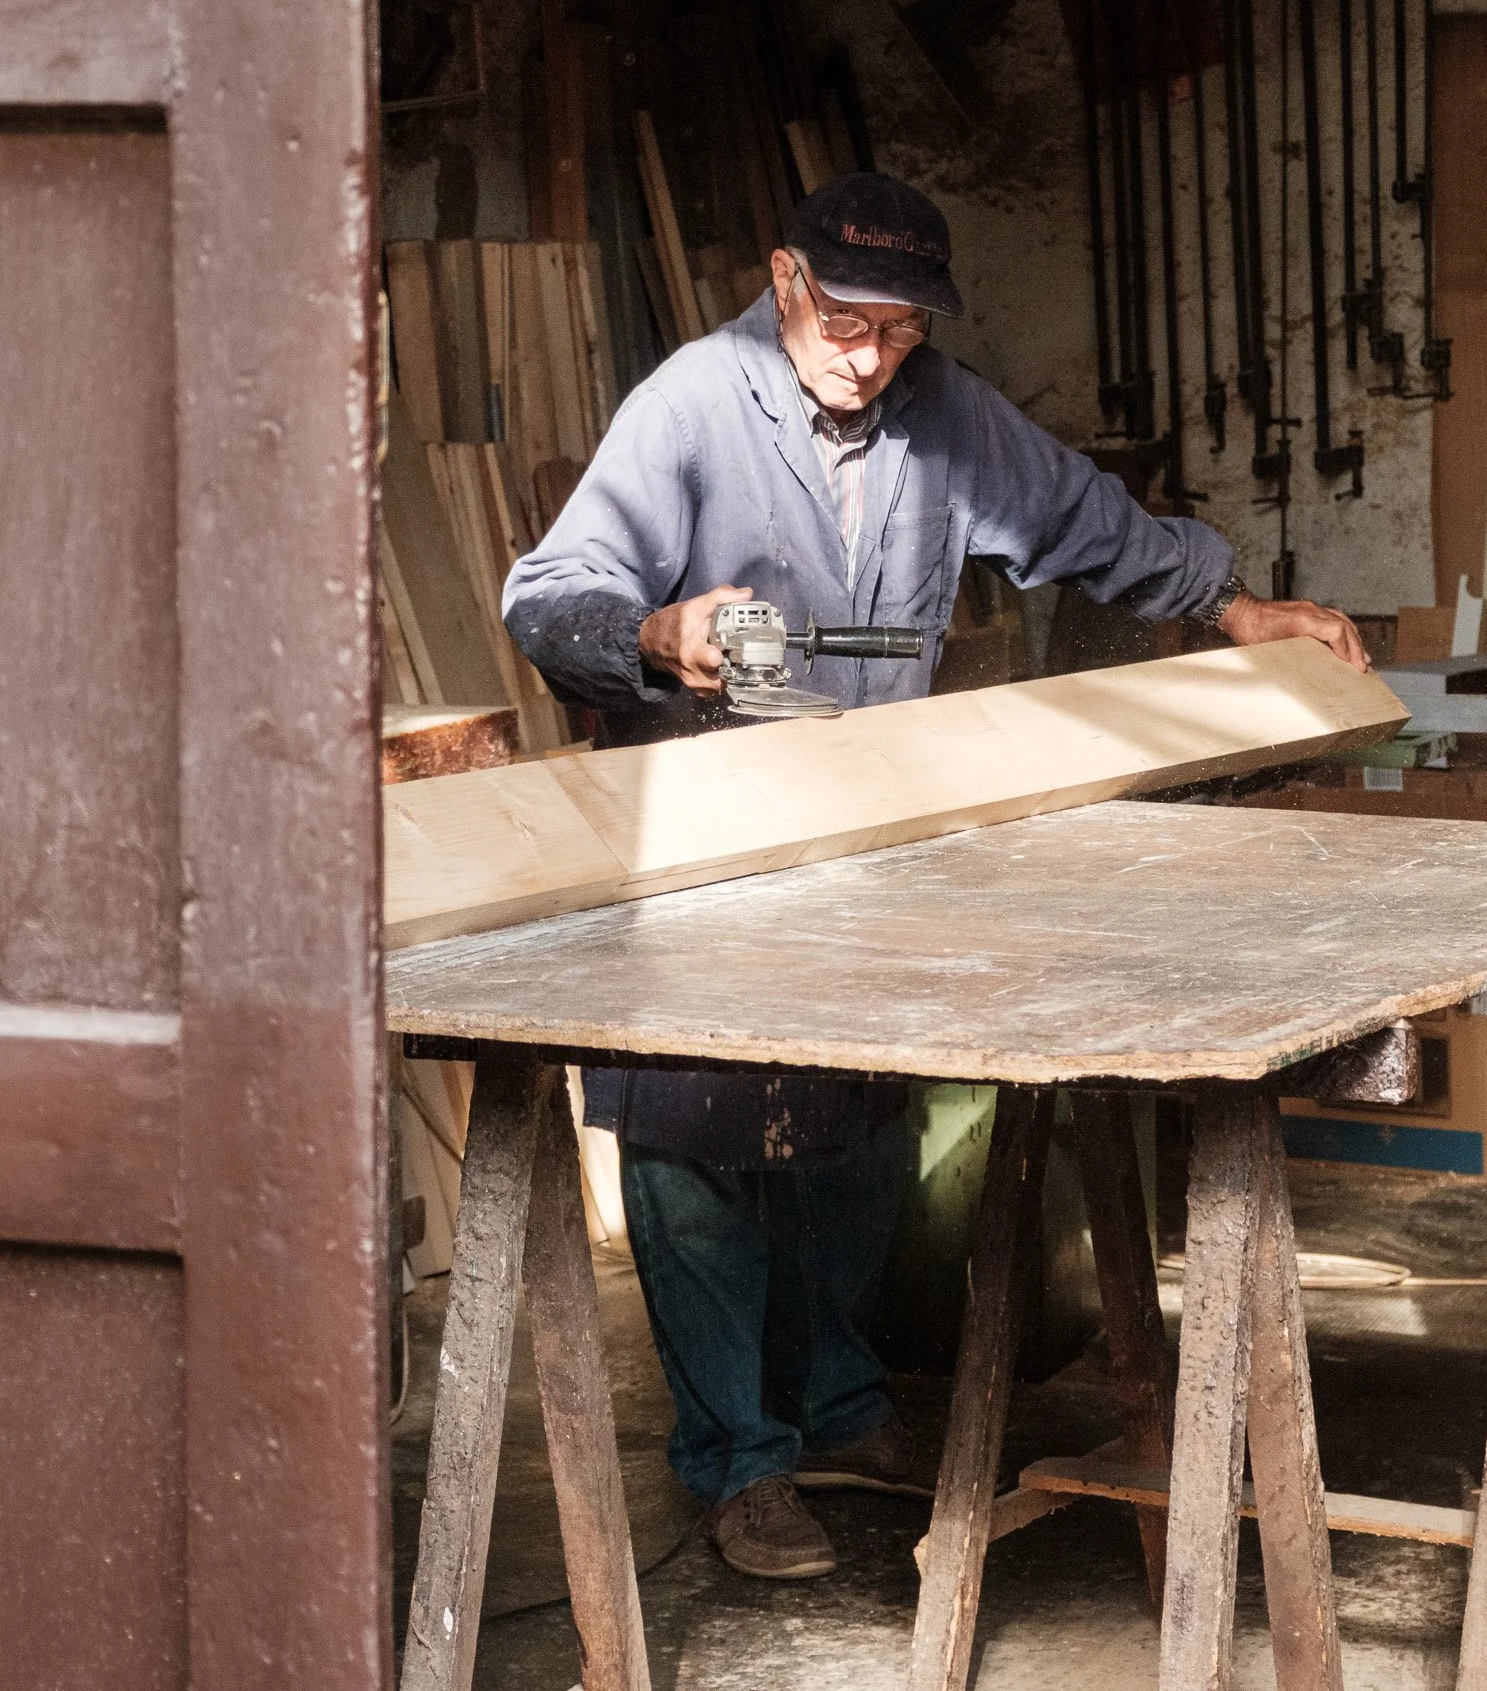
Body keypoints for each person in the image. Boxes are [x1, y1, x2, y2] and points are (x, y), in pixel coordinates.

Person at [503, 172, 1367, 1580]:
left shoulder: (943, 413)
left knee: (858, 1128)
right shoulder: (690, 406)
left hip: (872, 830)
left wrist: (1229, 602)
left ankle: (840, 1403)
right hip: (699, 836)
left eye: (900, 329)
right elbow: (544, 598)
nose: (871, 355)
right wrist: (658, 630)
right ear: (786, 280)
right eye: (848, 320)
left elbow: (1088, 519)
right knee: (698, 1148)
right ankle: (739, 1461)